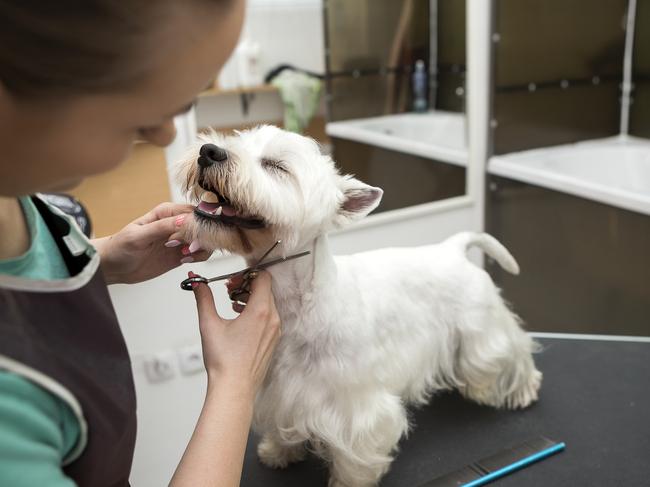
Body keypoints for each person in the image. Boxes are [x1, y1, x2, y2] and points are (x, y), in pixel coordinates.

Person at [0, 1, 282, 486]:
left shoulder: (14, 191)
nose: (167, 135)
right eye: (143, 118)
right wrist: (236, 383)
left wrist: (100, 259)